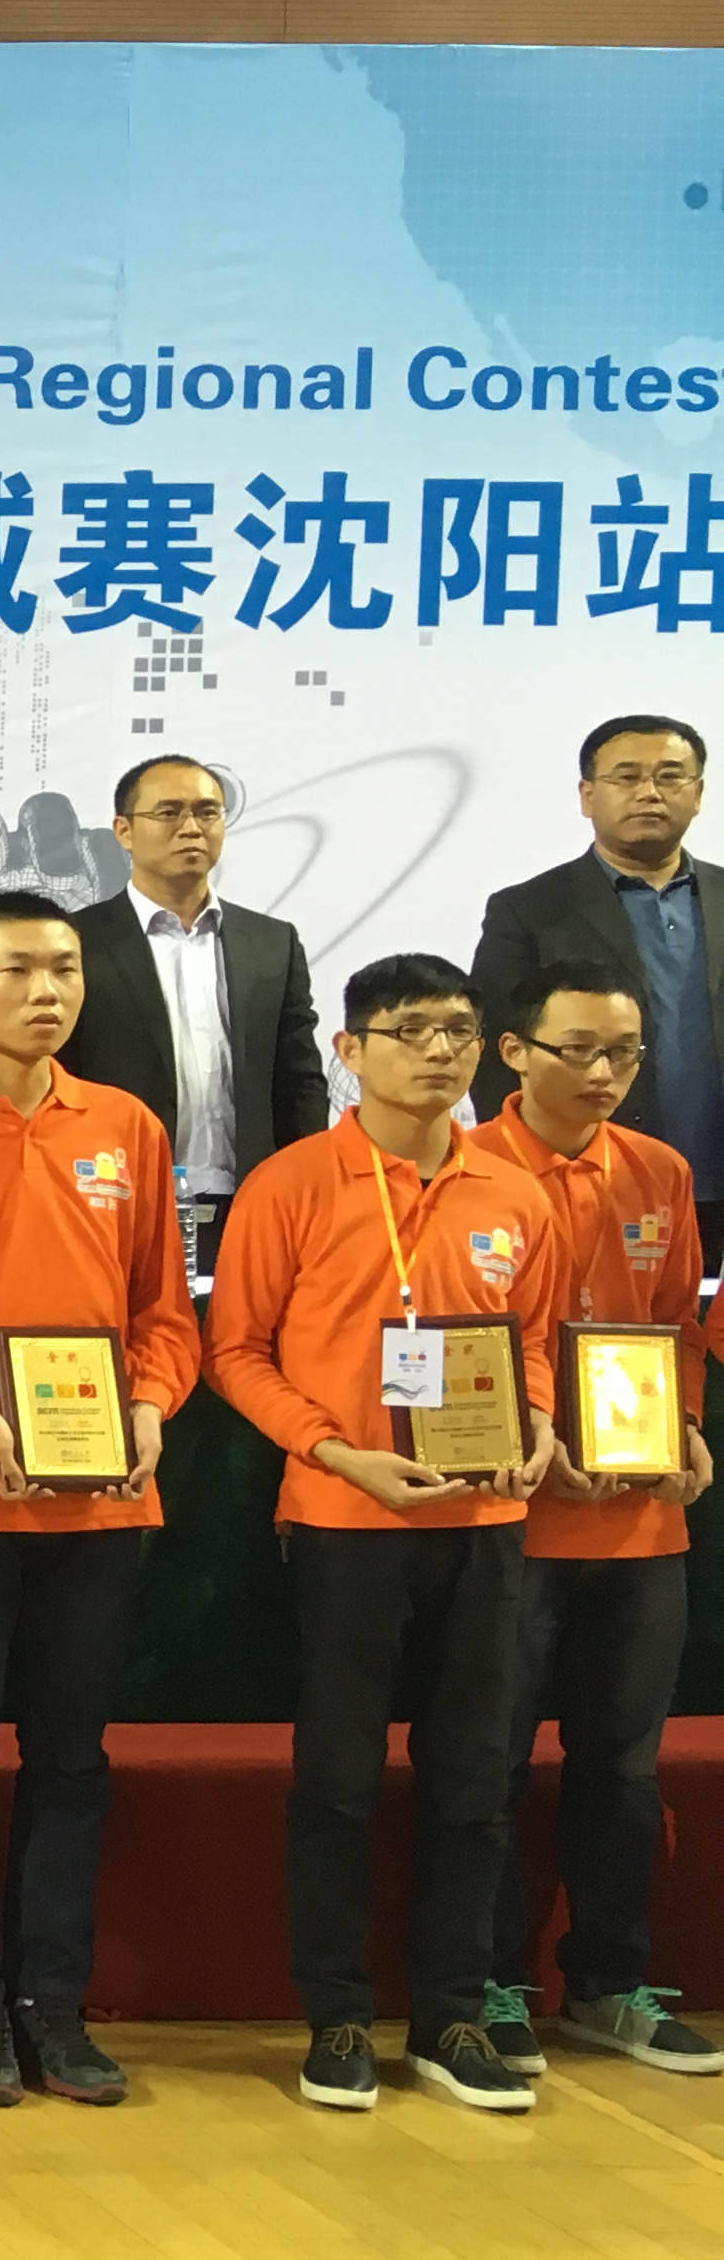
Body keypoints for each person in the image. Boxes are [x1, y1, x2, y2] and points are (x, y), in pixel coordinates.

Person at [205, 954, 558, 2116]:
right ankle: (339, 2018)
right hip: (346, 1517)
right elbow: (235, 1352)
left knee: (476, 1779)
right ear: (350, 1051)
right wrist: (330, 1449)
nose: (439, 1051)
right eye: (409, 1030)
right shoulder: (293, 1184)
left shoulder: (514, 1191)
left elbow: (533, 1340)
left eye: (458, 1029)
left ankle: (452, 2016)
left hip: (486, 1518)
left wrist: (540, 1421)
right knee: (340, 1780)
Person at [0, 893, 199, 2108]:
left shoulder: (125, 1126)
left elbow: (164, 1313)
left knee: (71, 1759)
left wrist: (152, 1404)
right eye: (15, 969)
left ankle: (52, 2003)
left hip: (101, 1498)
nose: (46, 990)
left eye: (64, 968)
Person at [474, 960, 718, 2077]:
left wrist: (686, 1430)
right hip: (510, 1522)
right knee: (490, 1761)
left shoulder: (661, 1171)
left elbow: (675, 1328)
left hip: (640, 1529)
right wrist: (531, 1438)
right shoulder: (464, 1170)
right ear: (514, 1052)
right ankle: (489, 1983)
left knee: (622, 1768)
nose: (604, 1072)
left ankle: (610, 1982)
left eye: (624, 1052)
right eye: (577, 1049)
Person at [470, 714, 724, 1267]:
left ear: (699, 793)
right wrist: (522, 1170)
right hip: (591, 1181)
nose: (649, 792)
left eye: (670, 776)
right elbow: (495, 1052)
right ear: (587, 795)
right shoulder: (528, 910)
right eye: (627, 776)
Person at [61, 754, 329, 1277]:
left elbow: (299, 1080)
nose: (191, 827)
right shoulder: (77, 942)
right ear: (124, 831)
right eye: (169, 812)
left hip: (250, 1203)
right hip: (113, 1199)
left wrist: (307, 1187)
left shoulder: (272, 943)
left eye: (207, 812)